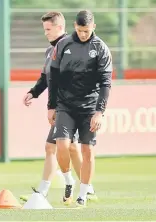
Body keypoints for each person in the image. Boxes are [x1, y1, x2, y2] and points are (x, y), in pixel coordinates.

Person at [22, 12, 97, 204]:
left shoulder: (70, 46)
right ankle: (83, 187)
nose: (45, 33)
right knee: (67, 147)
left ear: (60, 27)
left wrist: (56, 105)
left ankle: (51, 190)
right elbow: (47, 77)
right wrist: (34, 92)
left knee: (59, 147)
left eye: (48, 29)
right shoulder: (51, 51)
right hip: (63, 107)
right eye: (44, 29)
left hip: (71, 107)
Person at [48, 9, 112, 207]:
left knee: (87, 151)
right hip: (65, 105)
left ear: (93, 27)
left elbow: (105, 83)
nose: (83, 34)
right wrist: (51, 106)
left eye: (86, 30)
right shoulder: (63, 44)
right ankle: (68, 181)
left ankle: (83, 194)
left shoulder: (101, 48)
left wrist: (99, 112)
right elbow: (53, 76)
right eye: (80, 30)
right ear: (74, 26)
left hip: (89, 107)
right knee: (62, 146)